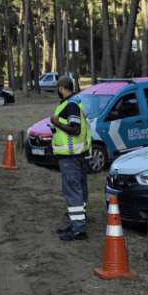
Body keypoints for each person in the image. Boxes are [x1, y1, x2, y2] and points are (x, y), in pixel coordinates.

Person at [50, 76, 91, 241]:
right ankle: (76, 223)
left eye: (56, 88)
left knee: (73, 191)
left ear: (60, 88)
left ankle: (78, 229)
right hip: (77, 154)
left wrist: (55, 122)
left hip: (71, 156)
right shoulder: (75, 102)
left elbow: (75, 129)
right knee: (79, 190)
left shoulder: (71, 105)